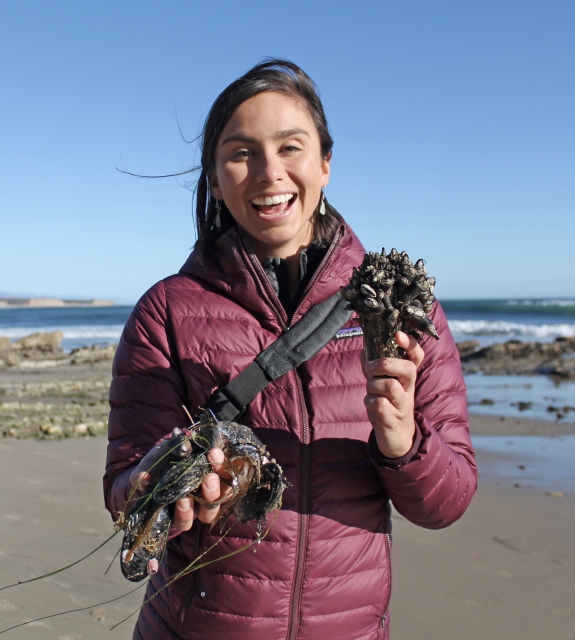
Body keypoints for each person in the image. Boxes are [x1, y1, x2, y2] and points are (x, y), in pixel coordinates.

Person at [104, 59, 477, 640]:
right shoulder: (167, 313)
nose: (269, 172)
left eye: (291, 147)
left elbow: (446, 503)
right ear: (215, 175)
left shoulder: (400, 307)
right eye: (241, 152)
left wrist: (404, 443)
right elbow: (125, 487)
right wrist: (165, 483)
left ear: (326, 163)